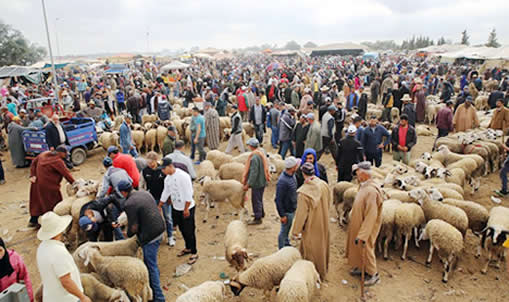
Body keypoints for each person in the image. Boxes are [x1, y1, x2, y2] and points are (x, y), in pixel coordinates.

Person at [119, 180, 166, 302]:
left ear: (123, 192)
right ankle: (152, 285)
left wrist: (127, 234)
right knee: (150, 262)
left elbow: (134, 226)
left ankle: (159, 297)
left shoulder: (129, 203)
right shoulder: (144, 193)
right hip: (160, 228)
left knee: (151, 266)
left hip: (150, 236)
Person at [36, 212, 91, 302]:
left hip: (52, 297)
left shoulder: (42, 247)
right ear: (59, 231)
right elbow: (66, 281)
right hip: (67, 298)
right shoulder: (58, 252)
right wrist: (82, 297)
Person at [346, 162, 384, 287]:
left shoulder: (371, 191)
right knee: (359, 248)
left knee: (366, 248)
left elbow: (371, 215)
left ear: (363, 173)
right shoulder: (363, 186)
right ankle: (362, 267)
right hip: (359, 223)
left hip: (366, 227)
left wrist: (363, 234)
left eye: (357, 173)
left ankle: (373, 274)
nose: (356, 176)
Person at [292, 162, 331, 280]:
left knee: (311, 249)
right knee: (322, 246)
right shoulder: (324, 184)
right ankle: (323, 270)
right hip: (323, 221)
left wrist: (296, 230)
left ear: (303, 173)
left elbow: (301, 214)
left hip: (312, 224)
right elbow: (328, 201)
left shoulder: (304, 192)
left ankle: (314, 275)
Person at [159, 158, 198, 265]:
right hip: (176, 207)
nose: (162, 171)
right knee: (182, 229)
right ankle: (188, 247)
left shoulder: (184, 176)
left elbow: (188, 194)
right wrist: (160, 205)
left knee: (189, 230)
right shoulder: (167, 179)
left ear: (170, 166)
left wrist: (186, 209)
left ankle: (194, 252)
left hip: (187, 208)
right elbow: (166, 192)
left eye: (164, 169)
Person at [29, 146, 75, 228]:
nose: (66, 155)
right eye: (65, 154)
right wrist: (75, 184)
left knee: (37, 202)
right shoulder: (57, 161)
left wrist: (33, 175)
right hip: (50, 186)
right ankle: (53, 223)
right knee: (53, 204)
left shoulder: (43, 154)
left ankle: (33, 220)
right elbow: (66, 174)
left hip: (37, 183)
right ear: (61, 153)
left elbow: (33, 163)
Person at [143, 153, 175, 247]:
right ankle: (157, 237)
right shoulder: (145, 171)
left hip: (164, 198)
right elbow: (143, 184)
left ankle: (170, 236)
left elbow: (169, 185)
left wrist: (169, 197)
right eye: (148, 162)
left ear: (156, 160)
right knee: (154, 218)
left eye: (151, 162)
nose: (150, 164)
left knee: (168, 217)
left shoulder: (162, 170)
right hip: (152, 198)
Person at [242, 138, 271, 225]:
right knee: (259, 198)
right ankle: (261, 213)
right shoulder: (261, 152)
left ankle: (258, 218)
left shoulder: (254, 157)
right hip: (263, 180)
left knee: (256, 199)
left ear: (251, 146)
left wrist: (248, 183)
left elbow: (254, 172)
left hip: (257, 182)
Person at [275, 157, 300, 249]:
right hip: (287, 211)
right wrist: (282, 215)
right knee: (283, 231)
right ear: (293, 167)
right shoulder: (283, 181)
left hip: (291, 208)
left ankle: (286, 243)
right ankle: (281, 249)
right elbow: (278, 200)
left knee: (287, 229)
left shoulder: (292, 175)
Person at [0, 237, 33, 302]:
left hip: (16, 296)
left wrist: (28, 297)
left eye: (0, 250)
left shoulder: (14, 258)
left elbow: (24, 278)